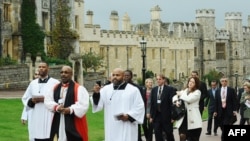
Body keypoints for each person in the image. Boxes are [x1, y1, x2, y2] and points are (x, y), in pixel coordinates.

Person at [90, 68, 145, 141]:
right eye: (113, 75)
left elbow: (140, 106)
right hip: (111, 125)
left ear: (123, 76)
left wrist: (128, 116)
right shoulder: (106, 89)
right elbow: (98, 103)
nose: (115, 77)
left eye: (117, 75)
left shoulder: (133, 90)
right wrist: (96, 94)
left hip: (127, 125)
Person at [44, 65, 89, 141]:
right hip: (58, 119)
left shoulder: (79, 88)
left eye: (66, 72)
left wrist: (70, 109)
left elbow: (84, 105)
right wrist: (56, 107)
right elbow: (47, 100)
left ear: (71, 74)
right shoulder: (55, 88)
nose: (63, 74)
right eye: (61, 72)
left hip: (73, 122)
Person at [22, 61, 60, 141]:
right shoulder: (33, 83)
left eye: (43, 67)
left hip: (49, 115)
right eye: (39, 67)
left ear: (48, 69)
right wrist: (32, 101)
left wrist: (45, 99)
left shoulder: (55, 83)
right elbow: (25, 98)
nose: (41, 68)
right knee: (36, 135)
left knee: (49, 135)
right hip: (36, 115)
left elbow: (60, 99)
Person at [173, 76, 202, 141]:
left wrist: (180, 95)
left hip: (193, 119)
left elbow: (189, 99)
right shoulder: (184, 91)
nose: (190, 83)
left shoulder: (197, 92)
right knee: (182, 136)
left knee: (193, 138)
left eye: (193, 82)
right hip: (183, 117)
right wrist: (176, 101)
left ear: (196, 84)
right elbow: (174, 97)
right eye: (190, 81)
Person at [150, 74, 175, 141]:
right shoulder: (154, 90)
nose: (158, 81)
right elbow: (152, 103)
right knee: (157, 133)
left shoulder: (170, 89)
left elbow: (172, 104)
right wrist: (151, 116)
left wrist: (173, 116)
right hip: (156, 115)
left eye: (160, 79)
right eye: (157, 79)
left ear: (164, 80)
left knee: (168, 133)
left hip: (166, 115)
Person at [124, 70, 147, 141]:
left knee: (137, 135)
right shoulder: (121, 87)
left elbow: (141, 102)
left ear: (131, 76)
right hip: (124, 114)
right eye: (124, 75)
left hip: (134, 115)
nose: (126, 77)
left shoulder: (137, 88)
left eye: (127, 75)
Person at [214, 76, 237, 141]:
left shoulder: (231, 90)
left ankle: (222, 138)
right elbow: (216, 101)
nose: (224, 82)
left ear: (227, 82)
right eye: (223, 81)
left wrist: (234, 110)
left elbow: (234, 100)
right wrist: (215, 111)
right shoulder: (218, 91)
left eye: (225, 81)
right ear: (220, 82)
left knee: (226, 124)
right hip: (220, 111)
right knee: (221, 125)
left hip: (228, 111)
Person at [21, 68, 40, 141]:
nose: (37, 76)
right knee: (32, 133)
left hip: (43, 113)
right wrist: (24, 116)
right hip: (32, 112)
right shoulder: (31, 85)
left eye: (39, 74)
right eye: (36, 74)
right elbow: (26, 100)